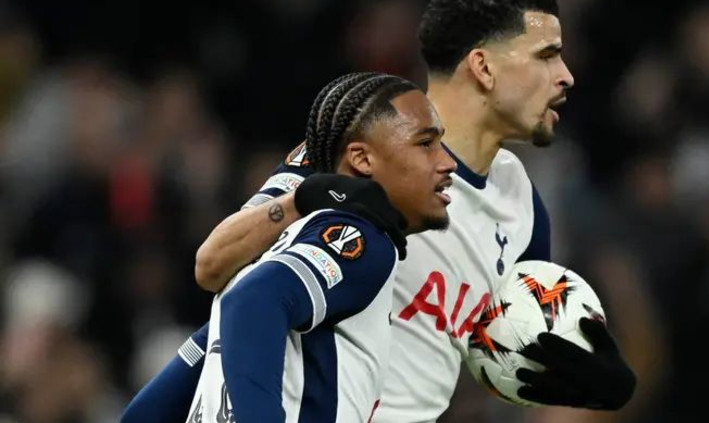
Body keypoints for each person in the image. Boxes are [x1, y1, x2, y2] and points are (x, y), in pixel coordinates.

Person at [127, 0, 636, 422]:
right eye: (547, 56)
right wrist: (302, 197)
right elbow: (218, 269)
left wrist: (582, 374)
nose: (566, 76)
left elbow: (508, 347)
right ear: (484, 67)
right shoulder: (358, 154)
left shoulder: (521, 203)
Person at [121, 72, 457, 422]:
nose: (446, 162)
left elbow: (145, 412)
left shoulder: (260, 257)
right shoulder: (364, 239)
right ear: (362, 159)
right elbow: (248, 297)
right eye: (425, 143)